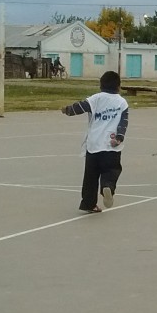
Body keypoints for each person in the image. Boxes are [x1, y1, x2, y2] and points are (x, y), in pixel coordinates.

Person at [62, 71, 129, 213]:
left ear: (101, 85)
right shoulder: (122, 102)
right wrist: (119, 137)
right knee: (111, 170)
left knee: (90, 177)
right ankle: (108, 187)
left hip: (94, 144)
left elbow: (80, 107)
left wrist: (68, 110)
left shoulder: (95, 99)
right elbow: (124, 122)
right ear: (119, 86)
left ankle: (89, 203)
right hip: (111, 145)